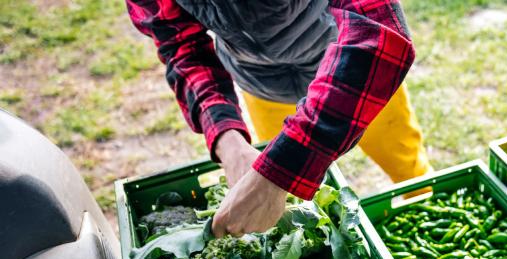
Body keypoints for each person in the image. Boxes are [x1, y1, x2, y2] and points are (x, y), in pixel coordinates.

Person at [127, 0, 431, 237]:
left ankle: (426, 206)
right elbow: (182, 47)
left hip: (350, 65)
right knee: (290, 208)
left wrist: (281, 170)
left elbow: (378, 32)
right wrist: (228, 142)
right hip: (260, 83)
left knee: (403, 159)